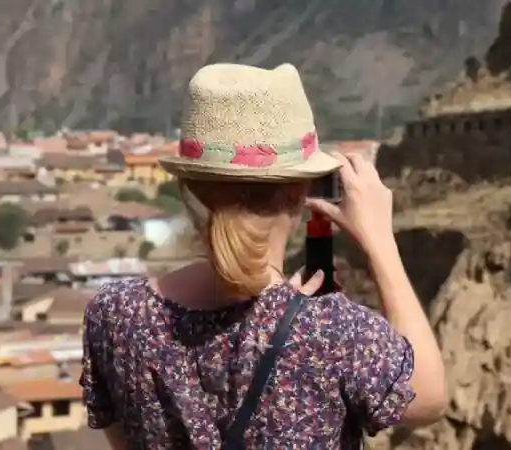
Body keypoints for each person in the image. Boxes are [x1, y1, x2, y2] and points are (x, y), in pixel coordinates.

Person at [80, 63, 447, 449]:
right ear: (299, 190)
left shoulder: (115, 316)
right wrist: (380, 243)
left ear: (188, 185)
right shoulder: (333, 333)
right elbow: (428, 399)